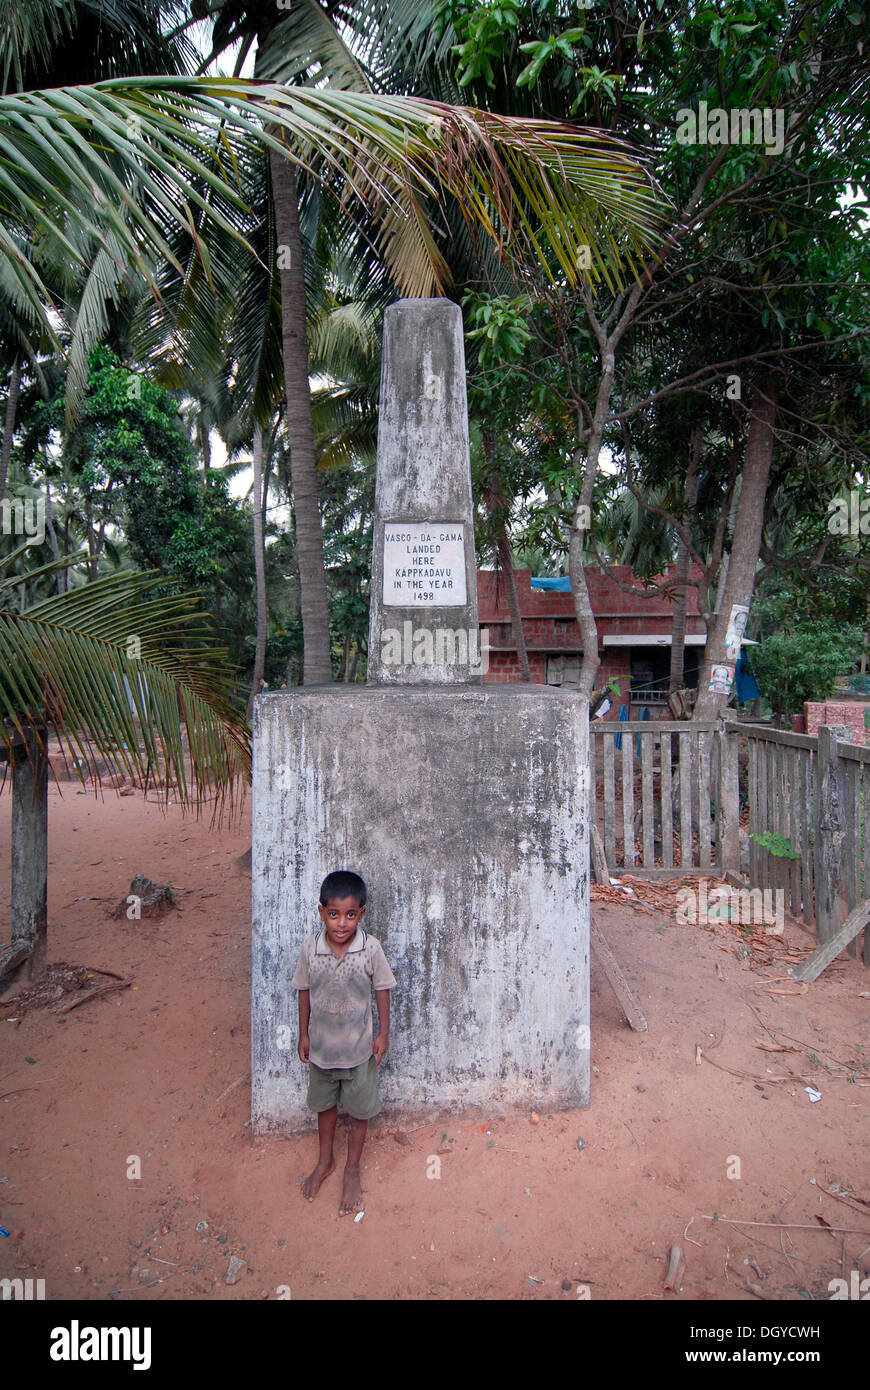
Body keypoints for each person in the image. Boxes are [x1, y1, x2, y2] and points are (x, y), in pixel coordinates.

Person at [292, 870, 396, 1215]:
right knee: (324, 1107)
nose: (341, 924)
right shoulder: (311, 949)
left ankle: (352, 1167)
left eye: (350, 915)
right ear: (322, 912)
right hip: (322, 1051)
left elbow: (382, 989)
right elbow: (304, 991)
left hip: (359, 1052)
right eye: (334, 914)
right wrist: (303, 1033)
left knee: (358, 1112)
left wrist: (383, 1033)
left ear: (361, 914)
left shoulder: (371, 949)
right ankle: (326, 1161)